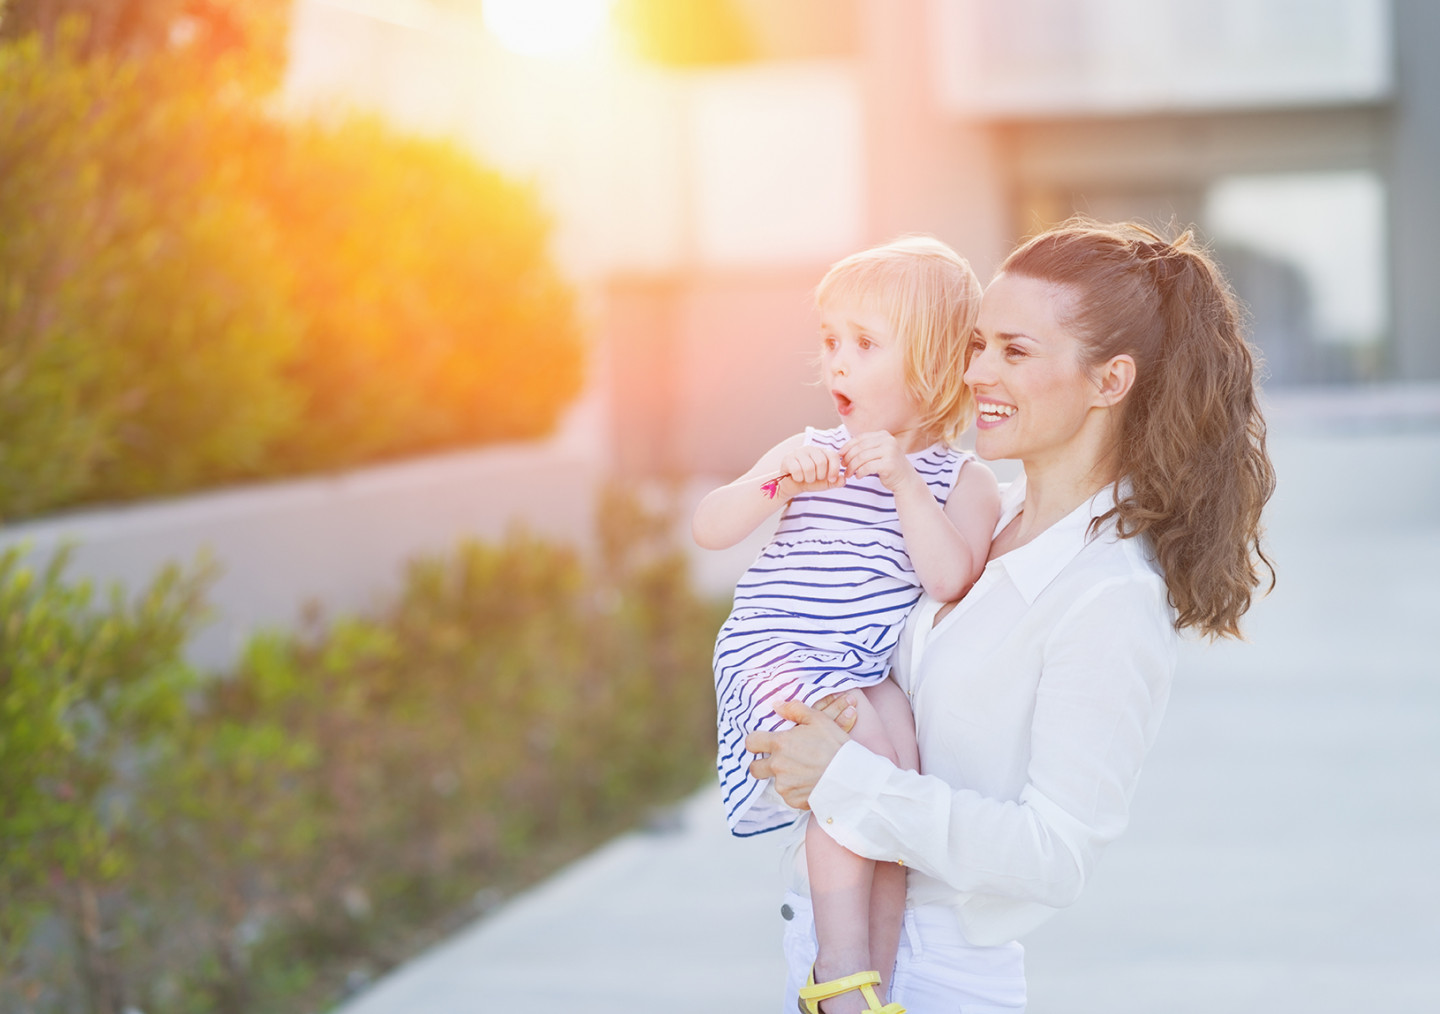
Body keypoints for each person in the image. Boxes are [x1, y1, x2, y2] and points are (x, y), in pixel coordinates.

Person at [748, 220, 1276, 1013]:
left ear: (1110, 381)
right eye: (977, 344)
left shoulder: (1109, 594)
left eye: (1016, 352)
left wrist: (846, 779)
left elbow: (1054, 855)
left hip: (932, 978)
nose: (977, 373)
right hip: (834, 954)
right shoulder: (981, 517)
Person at [693, 236, 1002, 1014]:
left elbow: (950, 575)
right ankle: (837, 973)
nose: (836, 362)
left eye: (865, 344)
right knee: (852, 767)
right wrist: (774, 481)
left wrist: (902, 479)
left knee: (898, 788)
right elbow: (711, 525)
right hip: (780, 654)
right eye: (830, 340)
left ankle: (877, 986)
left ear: (932, 363)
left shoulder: (961, 480)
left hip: (861, 667)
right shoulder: (810, 451)